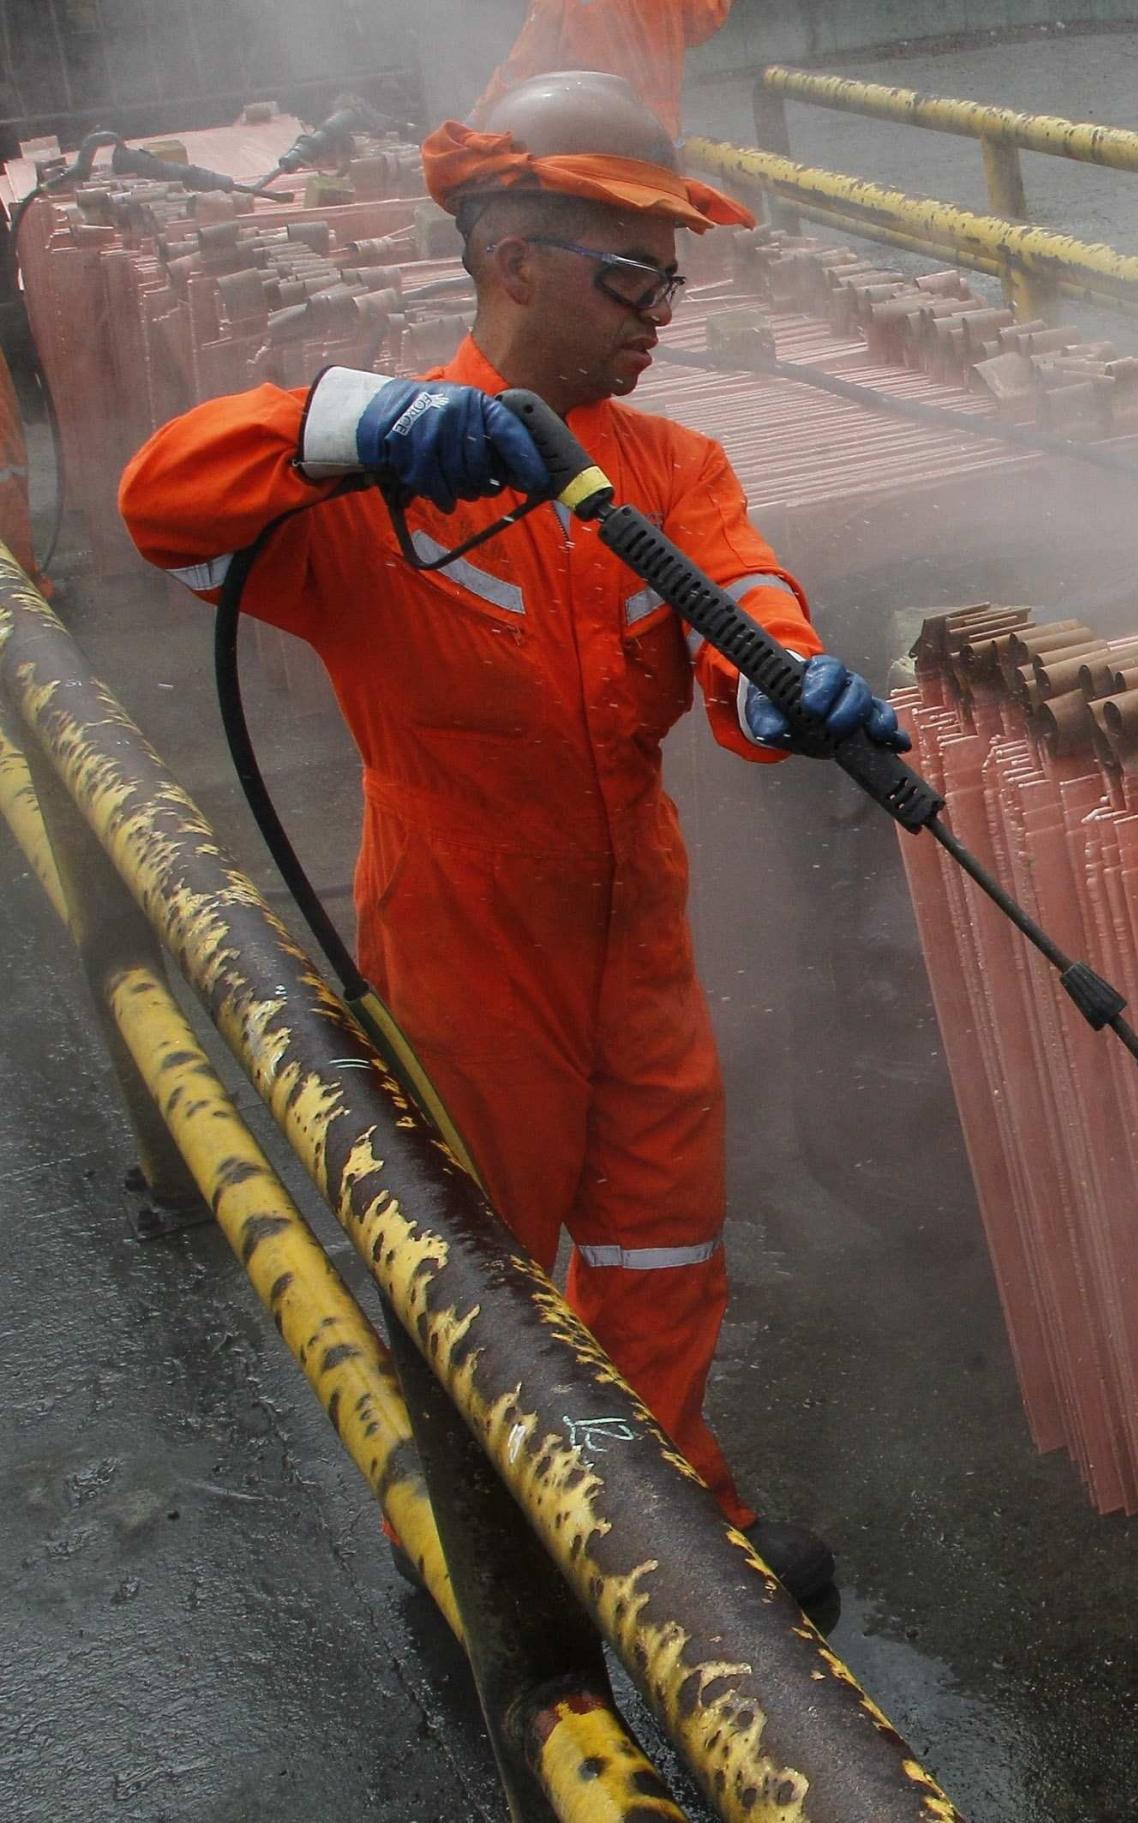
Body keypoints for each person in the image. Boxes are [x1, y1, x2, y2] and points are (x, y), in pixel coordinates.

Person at [116, 71, 881, 1623]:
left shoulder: (670, 473)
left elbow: (737, 596)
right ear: (509, 255)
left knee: (662, 1242)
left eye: (673, 275)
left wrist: (784, 679)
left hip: (637, 930)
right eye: (628, 272)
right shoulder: (369, 494)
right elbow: (160, 506)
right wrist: (355, 426)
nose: (659, 308)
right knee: (480, 1266)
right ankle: (483, 1546)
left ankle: (662, 1508)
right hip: (463, 939)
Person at [478, 0, 730, 134]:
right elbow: (703, 21)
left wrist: (476, 121)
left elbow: (521, 72)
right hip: (660, 135)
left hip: (597, 148)